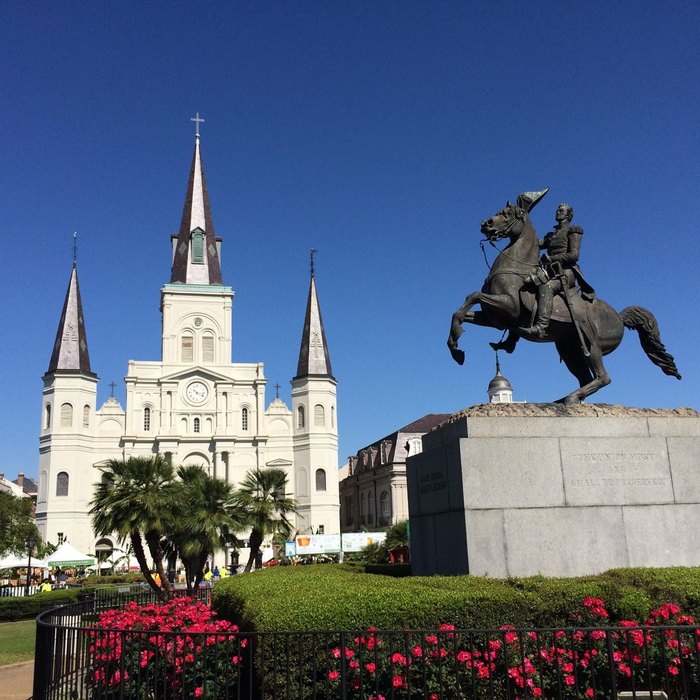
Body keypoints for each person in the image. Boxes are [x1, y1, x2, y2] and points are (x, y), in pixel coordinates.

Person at [519, 202, 593, 338]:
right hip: (549, 271)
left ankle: (541, 327)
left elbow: (574, 255)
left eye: (562, 210)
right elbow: (534, 245)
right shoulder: (550, 235)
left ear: (568, 215)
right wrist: (523, 223)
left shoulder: (573, 230)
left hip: (565, 273)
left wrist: (552, 258)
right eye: (557, 210)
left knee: (546, 287)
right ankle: (513, 336)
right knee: (524, 286)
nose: (558, 212)